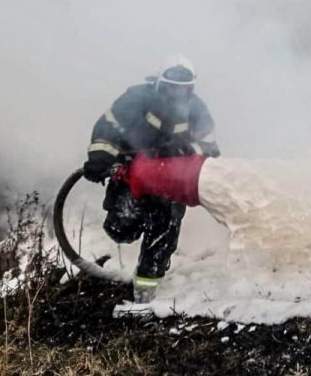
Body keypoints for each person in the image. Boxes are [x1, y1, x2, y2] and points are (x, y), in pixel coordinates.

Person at [83, 54, 219, 302]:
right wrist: (100, 157)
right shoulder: (135, 99)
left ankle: (145, 293)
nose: (177, 95)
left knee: (164, 230)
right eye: (170, 88)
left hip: (170, 183)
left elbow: (210, 145)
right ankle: (132, 229)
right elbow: (107, 127)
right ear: (157, 83)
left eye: (183, 89)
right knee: (120, 229)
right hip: (131, 176)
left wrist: (186, 151)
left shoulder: (196, 109)